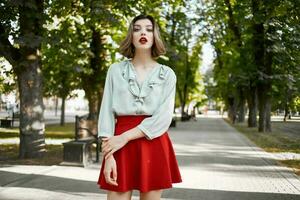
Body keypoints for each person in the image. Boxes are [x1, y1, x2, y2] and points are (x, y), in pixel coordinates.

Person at [97, 14, 182, 200]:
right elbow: (106, 114)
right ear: (131, 36)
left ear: (154, 36)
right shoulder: (115, 70)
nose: (143, 32)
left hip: (153, 142)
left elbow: (163, 118)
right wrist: (108, 155)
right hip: (118, 145)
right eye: (137, 29)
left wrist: (124, 138)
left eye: (148, 29)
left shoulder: (167, 74)